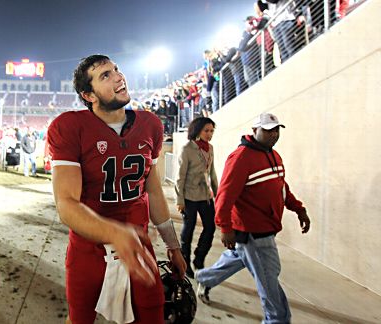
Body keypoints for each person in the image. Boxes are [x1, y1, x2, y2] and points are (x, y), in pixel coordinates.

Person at [48, 54, 186, 324]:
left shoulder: (150, 125)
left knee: (152, 316)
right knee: (80, 319)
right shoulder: (70, 127)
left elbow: (153, 190)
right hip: (90, 249)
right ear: (88, 95)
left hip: (139, 246)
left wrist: (173, 245)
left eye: (116, 70)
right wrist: (116, 233)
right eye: (105, 75)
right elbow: (66, 204)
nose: (118, 77)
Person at [195, 113, 310, 324]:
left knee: (239, 259)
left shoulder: (274, 156)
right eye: (268, 130)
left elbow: (280, 188)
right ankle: (277, 320)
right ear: (255, 130)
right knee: (269, 281)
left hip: (264, 229)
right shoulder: (241, 157)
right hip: (253, 233)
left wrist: (298, 209)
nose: (273, 134)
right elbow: (225, 196)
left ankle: (204, 278)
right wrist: (225, 228)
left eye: (276, 130)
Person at [175, 117, 218, 279]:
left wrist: (218, 193)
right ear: (197, 130)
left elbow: (212, 173)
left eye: (212, 131)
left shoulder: (210, 148)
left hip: (205, 196)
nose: (209, 134)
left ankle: (199, 258)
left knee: (210, 227)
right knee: (189, 229)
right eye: (206, 131)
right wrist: (180, 200)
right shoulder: (187, 149)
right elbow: (180, 176)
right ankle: (184, 261)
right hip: (189, 196)